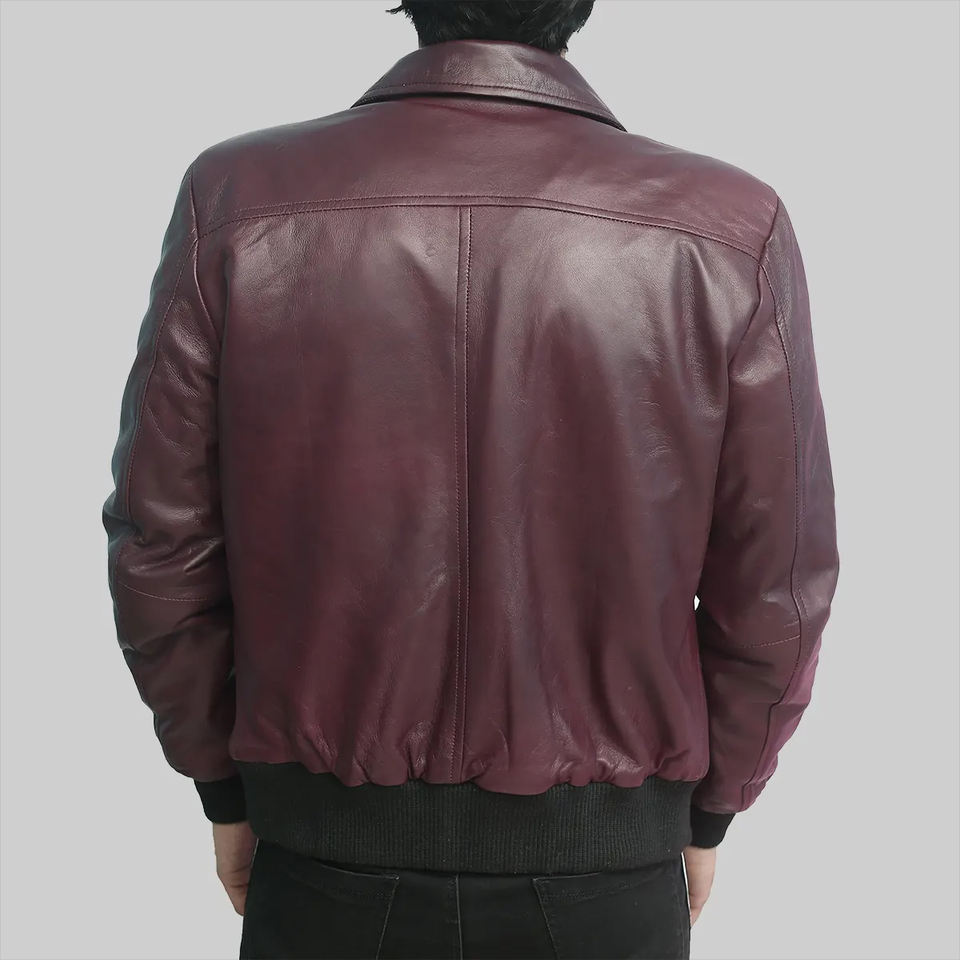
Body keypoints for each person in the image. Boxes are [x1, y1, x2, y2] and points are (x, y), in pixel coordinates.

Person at [101, 2, 840, 957]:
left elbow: (161, 539)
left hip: (320, 852)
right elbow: (780, 579)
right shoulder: (727, 225)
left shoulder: (239, 197)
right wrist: (709, 809)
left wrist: (223, 786)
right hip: (608, 866)